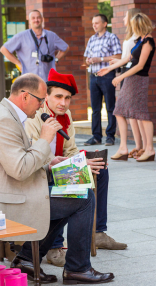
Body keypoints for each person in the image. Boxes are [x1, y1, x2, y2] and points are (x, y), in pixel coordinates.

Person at [0, 73, 114, 285]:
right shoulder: (3, 120)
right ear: (24, 96)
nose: (41, 106)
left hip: (12, 190)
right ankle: (77, 268)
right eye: (40, 100)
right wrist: (45, 140)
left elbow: (20, 160)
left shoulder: (7, 114)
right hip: (3, 202)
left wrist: (49, 163)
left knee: (73, 195)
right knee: (83, 199)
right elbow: (19, 169)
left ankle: (26, 258)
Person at [24, 68, 127, 266]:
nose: (63, 103)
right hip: (42, 171)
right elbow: (35, 154)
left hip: (61, 164)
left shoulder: (66, 115)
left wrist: (82, 162)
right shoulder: (35, 115)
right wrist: (74, 165)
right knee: (68, 180)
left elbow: (71, 149)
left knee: (100, 169)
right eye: (59, 96)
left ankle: (98, 232)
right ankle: (54, 245)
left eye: (68, 98)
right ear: (47, 95)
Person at [97, 13, 156, 162]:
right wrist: (109, 69)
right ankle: (124, 148)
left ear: (140, 25)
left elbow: (140, 65)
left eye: (134, 26)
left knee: (141, 113)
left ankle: (149, 149)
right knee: (119, 111)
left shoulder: (148, 41)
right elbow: (127, 59)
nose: (132, 28)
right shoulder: (139, 40)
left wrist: (121, 77)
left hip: (138, 80)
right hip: (131, 79)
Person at [109, 8, 145, 159]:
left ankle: (132, 147)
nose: (123, 19)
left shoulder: (132, 40)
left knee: (124, 112)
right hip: (131, 75)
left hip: (128, 76)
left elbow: (127, 60)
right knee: (133, 115)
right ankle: (139, 146)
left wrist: (112, 64)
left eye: (125, 16)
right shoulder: (137, 38)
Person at [84, 14, 122, 147]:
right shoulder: (92, 39)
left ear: (104, 24)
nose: (94, 25)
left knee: (110, 107)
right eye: (93, 23)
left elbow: (119, 56)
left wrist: (100, 59)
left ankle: (110, 136)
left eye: (97, 23)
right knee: (95, 109)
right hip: (93, 76)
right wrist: (89, 60)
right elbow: (87, 58)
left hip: (107, 75)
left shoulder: (112, 37)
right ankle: (96, 137)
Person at [0, 10, 69, 81]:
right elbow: (4, 49)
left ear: (42, 19)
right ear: (29, 21)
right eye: (33, 18)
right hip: (29, 80)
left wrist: (56, 59)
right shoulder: (22, 36)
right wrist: (18, 63)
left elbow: (65, 48)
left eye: (38, 17)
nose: (36, 20)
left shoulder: (51, 36)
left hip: (47, 80)